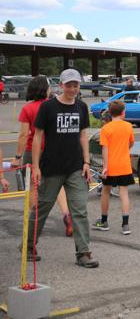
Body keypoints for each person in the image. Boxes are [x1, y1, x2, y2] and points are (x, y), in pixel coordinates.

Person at [25, 69, 98, 267]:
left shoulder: (82, 107)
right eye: (69, 85)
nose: (73, 88)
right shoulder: (48, 107)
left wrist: (86, 162)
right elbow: (38, 137)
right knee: (43, 208)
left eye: (76, 85)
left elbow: (83, 136)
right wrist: (37, 166)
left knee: (80, 210)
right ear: (61, 85)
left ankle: (83, 253)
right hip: (51, 167)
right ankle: (29, 246)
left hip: (75, 167)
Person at [16, 76, 73, 236]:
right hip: (51, 151)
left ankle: (33, 221)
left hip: (31, 150)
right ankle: (67, 215)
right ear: (45, 89)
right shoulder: (53, 106)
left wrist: (17, 156)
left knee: (33, 187)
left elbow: (23, 135)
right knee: (58, 183)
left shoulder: (28, 109)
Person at [92, 100, 135, 235]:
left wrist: (105, 166)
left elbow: (105, 148)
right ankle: (125, 224)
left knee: (105, 191)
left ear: (110, 113)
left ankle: (104, 221)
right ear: (123, 112)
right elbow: (131, 143)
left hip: (111, 165)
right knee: (124, 193)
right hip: (124, 164)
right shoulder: (128, 126)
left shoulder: (106, 129)